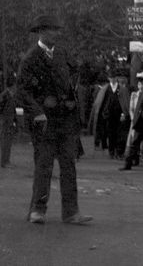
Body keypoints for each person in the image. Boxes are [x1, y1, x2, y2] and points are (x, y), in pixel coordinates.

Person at [16, 14, 92, 225]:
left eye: (58, 30)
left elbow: (76, 75)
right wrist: (38, 108)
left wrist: (71, 98)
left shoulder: (63, 54)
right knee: (44, 166)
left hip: (65, 120)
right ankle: (37, 210)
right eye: (53, 30)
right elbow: (21, 91)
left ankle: (71, 212)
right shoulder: (30, 59)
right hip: (44, 122)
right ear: (41, 32)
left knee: (69, 166)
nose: (57, 33)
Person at [0, 76, 18, 168]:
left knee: (8, 141)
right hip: (6, 120)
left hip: (10, 120)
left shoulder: (11, 95)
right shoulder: (5, 95)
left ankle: (7, 160)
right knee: (5, 141)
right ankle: (4, 161)